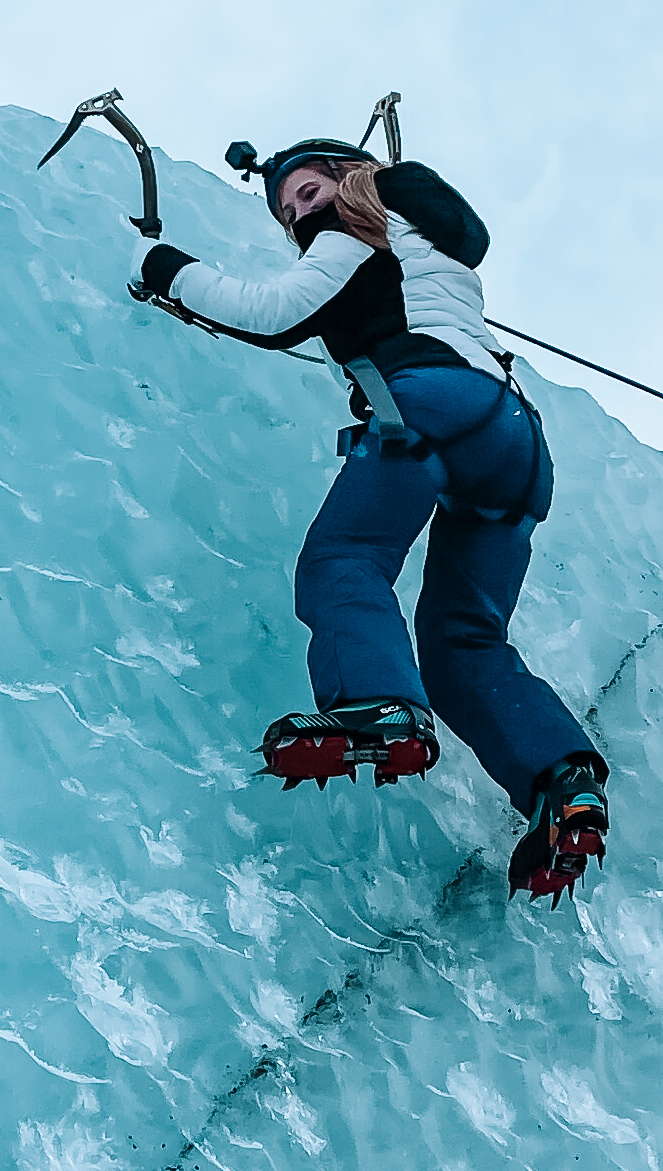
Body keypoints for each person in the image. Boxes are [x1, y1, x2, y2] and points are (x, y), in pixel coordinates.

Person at [136, 142, 609, 902]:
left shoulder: (358, 227)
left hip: (431, 405)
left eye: (307, 188)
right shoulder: (429, 241)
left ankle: (379, 708)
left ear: (348, 177)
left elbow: (273, 315)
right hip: (515, 444)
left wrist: (167, 271)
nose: (298, 208)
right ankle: (563, 787)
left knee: (342, 560)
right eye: (287, 206)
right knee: (463, 644)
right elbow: (466, 236)